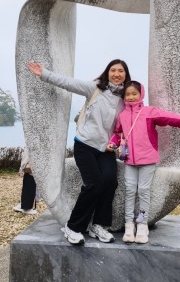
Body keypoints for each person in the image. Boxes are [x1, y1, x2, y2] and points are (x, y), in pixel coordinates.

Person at [27, 59, 131, 246]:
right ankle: (73, 227)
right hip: (85, 145)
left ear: (126, 75)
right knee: (94, 184)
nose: (117, 74)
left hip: (106, 149)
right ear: (107, 72)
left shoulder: (125, 98)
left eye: (121, 71)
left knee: (110, 181)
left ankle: (98, 225)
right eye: (113, 70)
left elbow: (130, 122)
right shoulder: (95, 89)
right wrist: (44, 74)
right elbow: (69, 83)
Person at [108, 81, 180, 244]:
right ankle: (129, 225)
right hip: (129, 161)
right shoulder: (122, 115)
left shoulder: (149, 112)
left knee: (143, 191)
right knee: (129, 191)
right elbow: (118, 133)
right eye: (127, 94)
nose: (131, 97)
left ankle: (142, 225)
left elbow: (168, 117)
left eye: (134, 93)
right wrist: (112, 143)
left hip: (148, 160)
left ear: (141, 94)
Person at [13, 147, 37, 214]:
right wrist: (21, 169)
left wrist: (21, 169)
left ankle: (25, 205)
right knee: (29, 186)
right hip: (31, 168)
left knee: (29, 186)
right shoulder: (31, 145)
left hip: (31, 168)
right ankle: (26, 207)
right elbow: (26, 157)